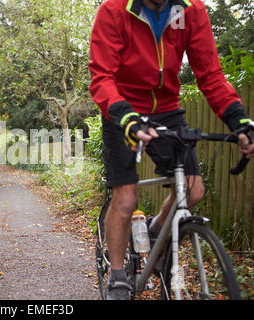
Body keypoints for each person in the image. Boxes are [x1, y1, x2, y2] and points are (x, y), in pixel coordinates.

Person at [88, 0, 254, 300]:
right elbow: (102, 77)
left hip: (167, 110)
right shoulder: (114, 10)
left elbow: (211, 75)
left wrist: (238, 120)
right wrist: (127, 118)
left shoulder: (193, 11)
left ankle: (155, 231)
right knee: (125, 198)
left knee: (193, 192)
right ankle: (117, 276)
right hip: (121, 110)